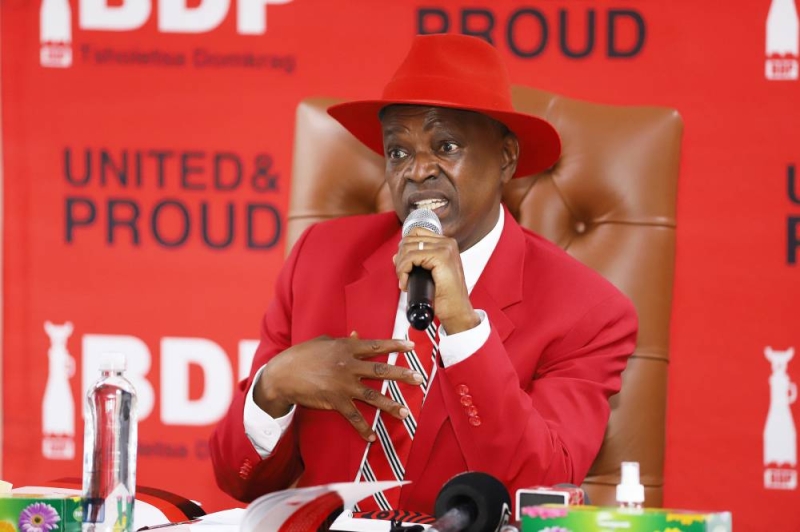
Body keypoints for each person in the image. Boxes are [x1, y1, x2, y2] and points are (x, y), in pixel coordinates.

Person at [210, 33, 638, 516]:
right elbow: (237, 478)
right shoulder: (320, 258)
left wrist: (464, 330)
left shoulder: (588, 312)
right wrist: (273, 387)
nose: (417, 171)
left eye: (446, 146)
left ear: (505, 158)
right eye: (398, 152)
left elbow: (538, 494)